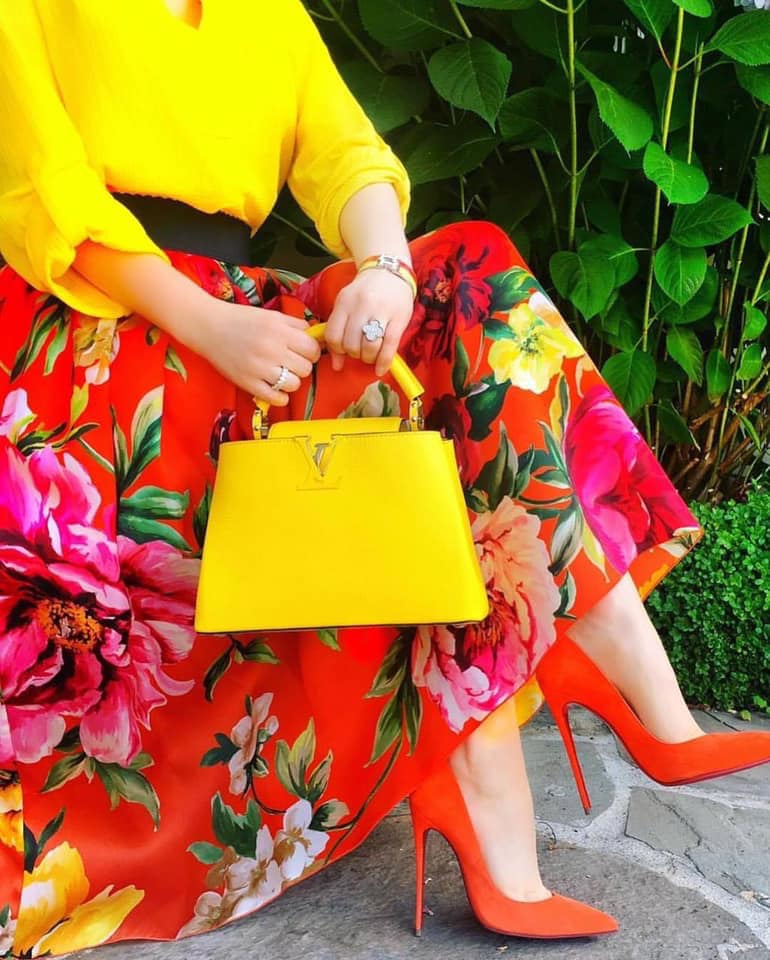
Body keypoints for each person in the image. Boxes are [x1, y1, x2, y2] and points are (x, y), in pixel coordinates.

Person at [0, 0, 768, 955]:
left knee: (468, 274)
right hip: (102, 332)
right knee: (413, 421)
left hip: (244, 319)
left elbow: (348, 155)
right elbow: (42, 194)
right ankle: (551, 700)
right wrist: (212, 326)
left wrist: (387, 273)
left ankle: (594, 662)